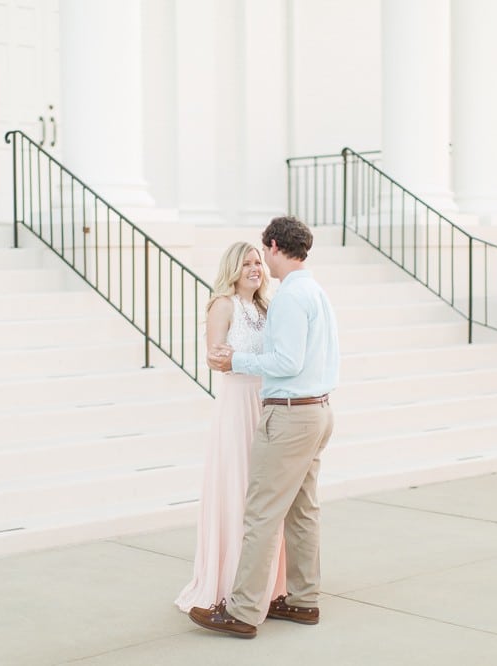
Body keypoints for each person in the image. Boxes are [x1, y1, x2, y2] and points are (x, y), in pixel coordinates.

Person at [189, 215, 339, 639]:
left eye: (262, 255)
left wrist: (238, 360)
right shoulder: (315, 291)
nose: (259, 266)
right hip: (318, 408)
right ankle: (303, 600)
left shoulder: (289, 297)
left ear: (274, 246)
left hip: (290, 413)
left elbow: (286, 362)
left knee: (261, 513)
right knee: (303, 511)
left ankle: (242, 611)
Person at [175, 241, 287, 614]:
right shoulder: (224, 305)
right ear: (232, 270)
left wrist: (244, 359)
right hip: (237, 405)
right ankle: (229, 584)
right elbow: (216, 360)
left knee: (264, 494)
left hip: (266, 402)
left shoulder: (265, 306)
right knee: (236, 488)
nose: (255, 269)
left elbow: (244, 357)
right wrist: (249, 361)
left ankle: (267, 584)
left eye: (258, 262)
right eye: (247, 264)